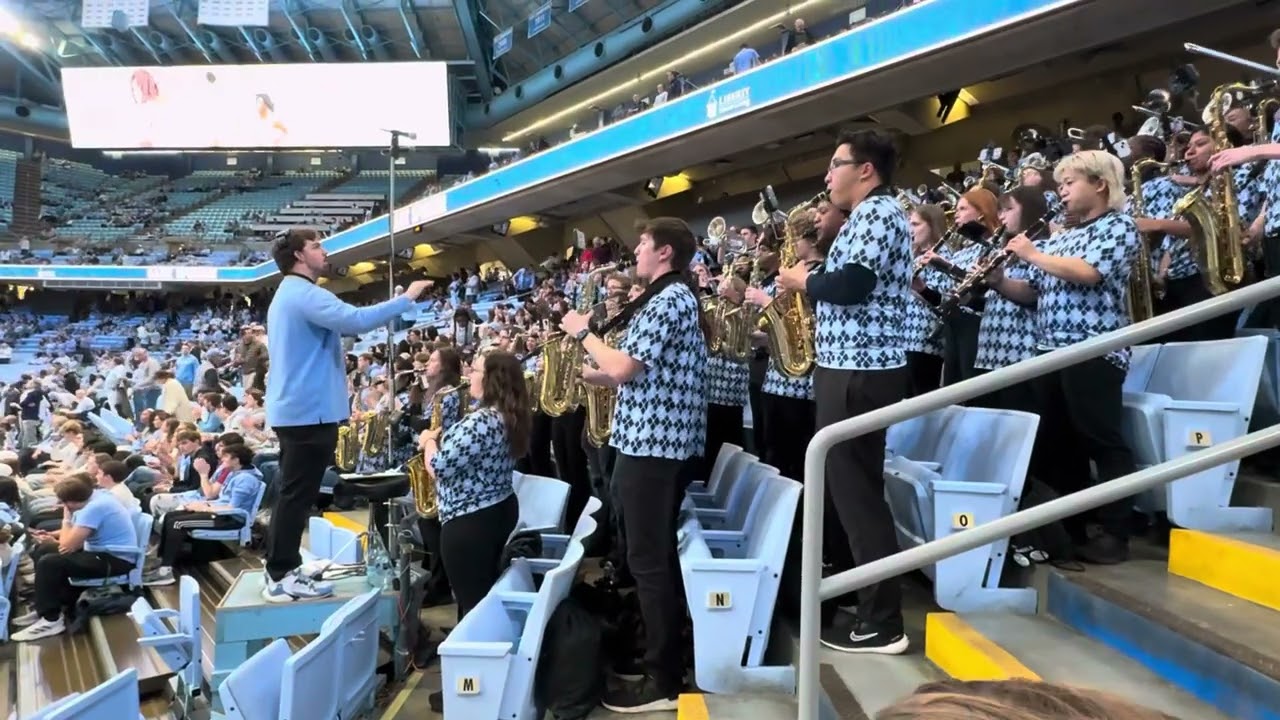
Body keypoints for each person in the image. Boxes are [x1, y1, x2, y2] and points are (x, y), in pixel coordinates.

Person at [562, 217, 708, 713]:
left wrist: (584, 333)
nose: (636, 252)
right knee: (648, 557)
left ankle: (663, 678)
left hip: (655, 449)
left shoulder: (670, 299)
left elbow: (625, 367)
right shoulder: (667, 297)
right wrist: (588, 374)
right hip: (646, 444)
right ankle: (655, 651)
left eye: (643, 244)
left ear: (664, 253)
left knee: (649, 562)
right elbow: (635, 374)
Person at [776, 128, 913, 654]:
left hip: (861, 370)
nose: (827, 175)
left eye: (836, 163)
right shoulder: (866, 218)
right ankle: (871, 597)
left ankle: (884, 621)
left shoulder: (879, 213)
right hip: (847, 367)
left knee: (858, 497)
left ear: (866, 170)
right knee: (852, 492)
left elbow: (853, 287)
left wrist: (802, 282)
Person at [262, 228, 430, 602]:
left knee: (294, 493)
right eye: (317, 246)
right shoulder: (303, 293)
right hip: (307, 412)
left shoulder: (289, 294)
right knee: (296, 494)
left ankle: (282, 567)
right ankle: (281, 573)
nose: (325, 252)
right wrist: (405, 298)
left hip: (300, 409)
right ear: (299, 257)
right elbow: (355, 321)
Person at [11, 475, 138, 642]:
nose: (62, 506)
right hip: (101, 553)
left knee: (50, 562)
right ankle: (47, 606)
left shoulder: (94, 508)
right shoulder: (97, 497)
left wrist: (66, 518)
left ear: (70, 502)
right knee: (44, 549)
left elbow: (68, 545)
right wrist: (52, 536)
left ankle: (51, 620)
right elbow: (79, 532)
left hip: (115, 560)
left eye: (63, 503)